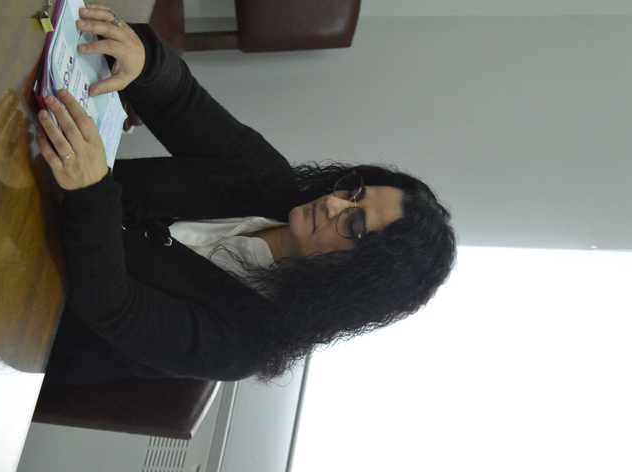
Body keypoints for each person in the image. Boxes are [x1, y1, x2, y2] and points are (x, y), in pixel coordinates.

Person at [36, 5, 456, 385]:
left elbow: (113, 309)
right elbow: (179, 99)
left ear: (356, 278)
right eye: (354, 191)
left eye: (354, 223)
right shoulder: (266, 177)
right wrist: (145, 62)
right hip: (38, 198)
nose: (334, 203)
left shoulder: (249, 343)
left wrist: (92, 191)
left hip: (31, 309)